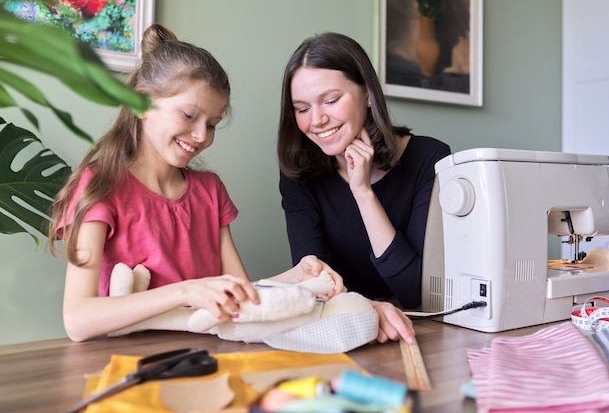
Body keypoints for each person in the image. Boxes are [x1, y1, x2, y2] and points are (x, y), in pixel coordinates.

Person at [47, 24, 343, 343]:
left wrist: (298, 276)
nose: (202, 136)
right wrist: (185, 291)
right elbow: (77, 320)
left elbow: (240, 293)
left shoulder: (210, 191)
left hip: (206, 356)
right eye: (189, 115)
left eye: (212, 124)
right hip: (129, 364)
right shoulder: (99, 186)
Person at [277, 32, 452, 342]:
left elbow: (415, 293)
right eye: (302, 109)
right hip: (345, 326)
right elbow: (314, 281)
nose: (316, 120)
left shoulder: (430, 160)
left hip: (418, 332)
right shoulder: (299, 174)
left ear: (368, 94)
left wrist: (363, 192)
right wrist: (367, 309)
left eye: (330, 101)